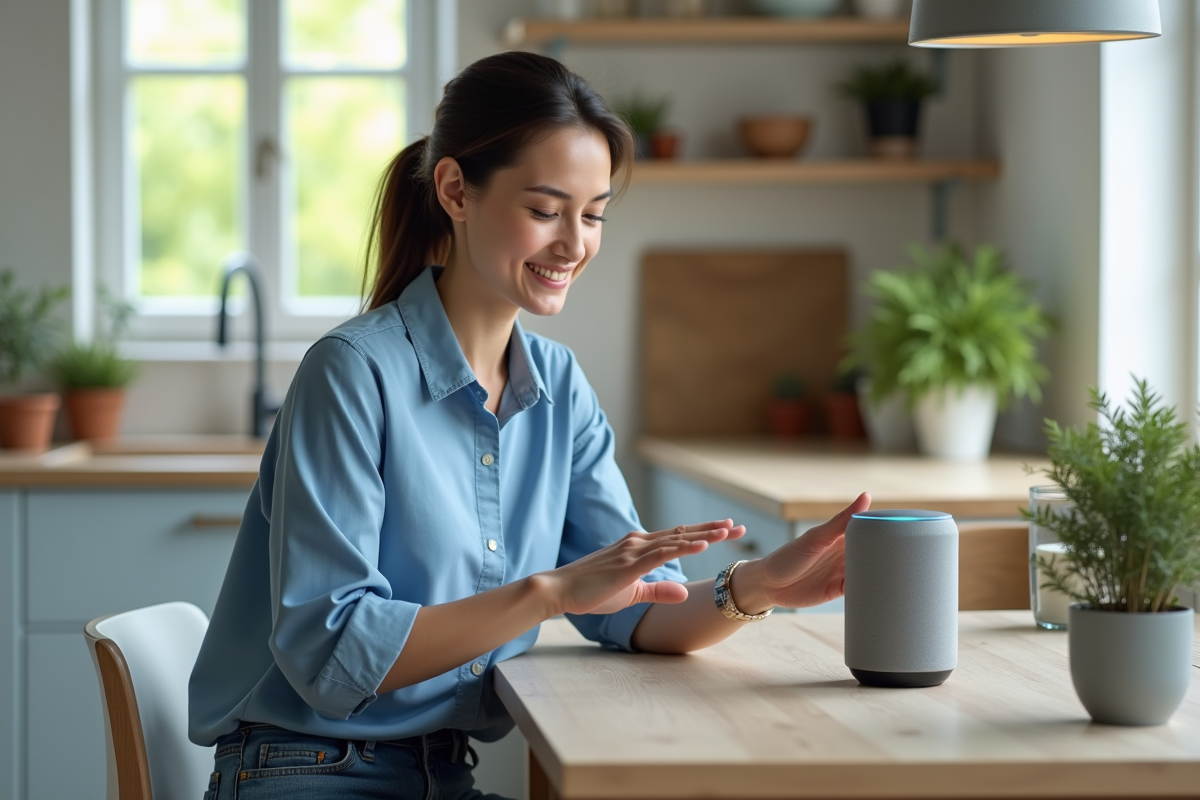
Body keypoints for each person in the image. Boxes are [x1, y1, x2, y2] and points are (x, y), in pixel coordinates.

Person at [188, 50, 870, 800]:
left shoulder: (560, 389)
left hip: (440, 774)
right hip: (305, 771)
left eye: (594, 214)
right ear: (455, 190)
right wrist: (551, 593)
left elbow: (641, 611)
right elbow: (334, 650)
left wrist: (759, 586)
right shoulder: (352, 373)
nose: (574, 244)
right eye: (545, 211)